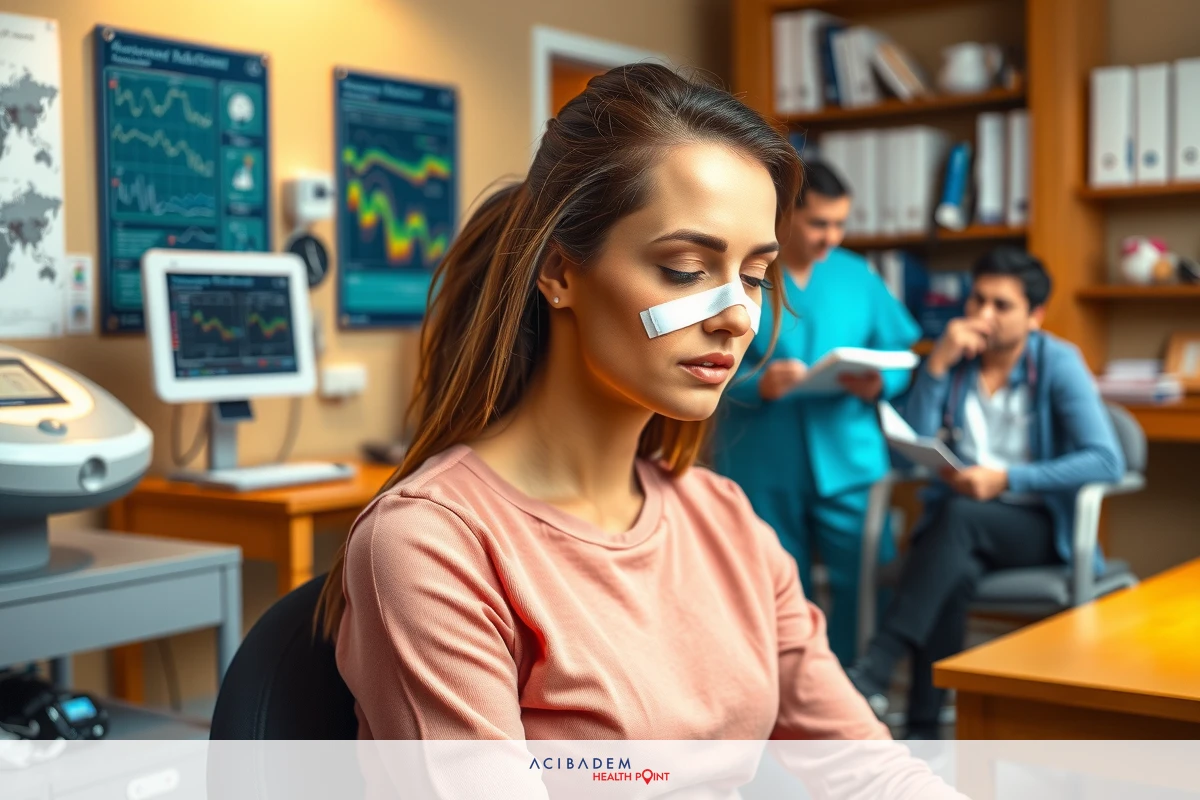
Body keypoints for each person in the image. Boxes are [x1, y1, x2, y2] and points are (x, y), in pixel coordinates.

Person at [314, 63, 961, 797]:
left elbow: (866, 771)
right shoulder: (433, 547)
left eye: (752, 276)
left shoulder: (726, 522)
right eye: (686, 270)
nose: (737, 317)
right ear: (559, 271)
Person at [847, 246, 1124, 738]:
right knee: (953, 567)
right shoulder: (955, 362)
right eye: (976, 300)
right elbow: (904, 449)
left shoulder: (1058, 363)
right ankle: (924, 731)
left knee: (955, 521)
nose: (981, 315)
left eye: (1001, 305)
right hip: (964, 534)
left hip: (1038, 528)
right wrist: (935, 367)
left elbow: (1105, 459)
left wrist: (1007, 480)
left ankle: (875, 667)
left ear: (1034, 317)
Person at [711, 160, 921, 666]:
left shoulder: (857, 275)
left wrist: (880, 383)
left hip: (849, 458)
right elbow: (696, 364)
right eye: (818, 223)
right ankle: (787, 695)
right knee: (774, 587)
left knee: (869, 580)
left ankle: (857, 685)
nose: (831, 237)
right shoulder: (742, 274)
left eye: (839, 224)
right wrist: (761, 385)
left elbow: (902, 356)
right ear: (785, 216)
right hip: (762, 458)